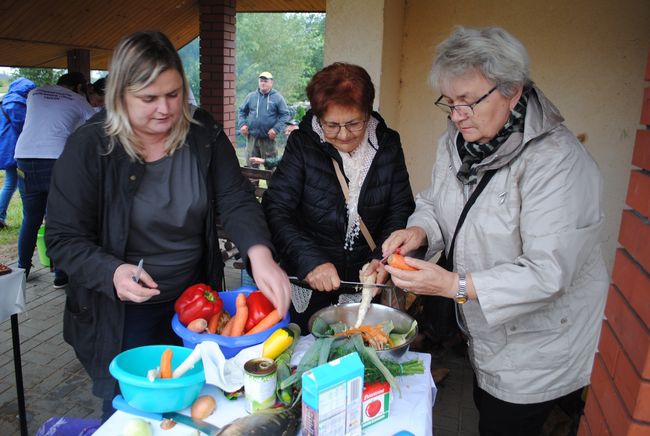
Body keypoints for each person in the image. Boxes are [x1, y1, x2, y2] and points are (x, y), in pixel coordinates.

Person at [45, 31, 291, 420]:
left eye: (174, 95)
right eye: (148, 98)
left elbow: (235, 198)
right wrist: (111, 271)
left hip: (196, 306)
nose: (165, 109)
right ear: (120, 95)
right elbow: (62, 238)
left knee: (200, 408)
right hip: (123, 315)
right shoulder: (90, 146)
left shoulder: (202, 134)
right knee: (137, 416)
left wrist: (259, 254)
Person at [382, 26, 608, 435]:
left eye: (467, 102)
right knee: (488, 408)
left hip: (538, 347)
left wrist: (454, 285)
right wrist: (418, 232)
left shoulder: (557, 163)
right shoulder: (456, 142)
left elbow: (547, 273)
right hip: (487, 336)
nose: (455, 115)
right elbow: (437, 203)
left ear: (513, 92)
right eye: (449, 103)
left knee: (507, 423)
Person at [262, 62, 415, 329]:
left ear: (368, 113)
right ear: (319, 118)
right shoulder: (303, 144)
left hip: (365, 285)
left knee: (361, 352)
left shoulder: (388, 144)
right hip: (310, 282)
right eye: (332, 125)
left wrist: (382, 258)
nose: (343, 135)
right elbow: (277, 209)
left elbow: (399, 208)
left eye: (354, 123)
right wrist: (310, 261)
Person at [14, 72, 95, 287]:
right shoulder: (78, 100)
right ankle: (60, 275)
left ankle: (22, 270)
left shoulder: (34, 93)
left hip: (23, 156)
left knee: (30, 218)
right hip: (54, 159)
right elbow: (94, 124)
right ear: (79, 87)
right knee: (56, 218)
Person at [0, 77, 35, 229]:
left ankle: (1, 215)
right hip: (17, 150)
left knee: (11, 182)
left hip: (6, 149)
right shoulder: (18, 104)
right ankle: (31, 217)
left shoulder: (5, 100)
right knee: (25, 184)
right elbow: (24, 127)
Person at [238, 71, 290, 170]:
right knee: (251, 168)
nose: (263, 83)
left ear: (271, 82)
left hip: (268, 140)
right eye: (261, 81)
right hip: (252, 139)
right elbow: (241, 111)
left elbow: (285, 114)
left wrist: (276, 129)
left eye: (266, 81)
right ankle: (252, 186)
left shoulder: (277, 97)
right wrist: (242, 124)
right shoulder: (251, 96)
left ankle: (273, 186)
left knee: (271, 169)